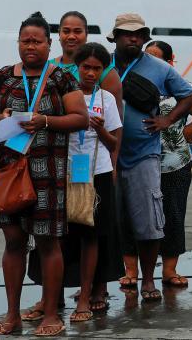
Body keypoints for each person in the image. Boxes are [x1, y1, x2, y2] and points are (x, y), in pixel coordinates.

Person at [0, 12, 88, 336]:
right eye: (25, 40)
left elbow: (80, 118)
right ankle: (12, 315)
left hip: (47, 173)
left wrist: (46, 121)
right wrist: (2, 116)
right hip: (10, 171)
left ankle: (51, 314)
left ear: (48, 44)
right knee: (13, 241)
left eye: (37, 41)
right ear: (18, 42)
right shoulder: (3, 77)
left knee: (48, 242)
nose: (30, 46)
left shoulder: (61, 78)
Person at [110, 13, 192, 302]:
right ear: (116, 36)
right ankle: (113, 278)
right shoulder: (102, 64)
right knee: (111, 219)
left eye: (138, 34)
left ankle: (148, 280)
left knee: (149, 221)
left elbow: (189, 96)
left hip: (144, 155)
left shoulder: (159, 67)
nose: (133, 38)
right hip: (106, 154)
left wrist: (167, 120)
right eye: (126, 33)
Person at [144, 41, 192, 288]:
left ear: (169, 61)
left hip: (175, 164)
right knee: (137, 217)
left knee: (173, 216)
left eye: (158, 59)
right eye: (148, 58)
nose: (152, 64)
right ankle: (133, 271)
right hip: (140, 163)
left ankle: (169, 270)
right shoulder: (132, 83)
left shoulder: (179, 86)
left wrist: (182, 134)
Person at [66, 43, 123, 322]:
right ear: (77, 67)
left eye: (96, 69)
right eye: (86, 67)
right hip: (68, 172)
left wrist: (100, 128)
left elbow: (114, 142)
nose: (90, 73)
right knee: (67, 234)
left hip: (96, 172)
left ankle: (87, 294)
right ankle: (61, 293)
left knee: (93, 235)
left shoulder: (107, 99)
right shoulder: (66, 95)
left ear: (103, 71)